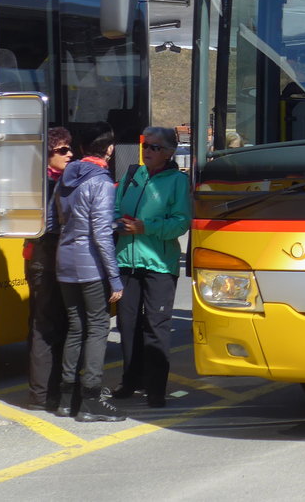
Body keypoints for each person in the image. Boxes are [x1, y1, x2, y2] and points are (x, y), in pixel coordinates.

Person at [113, 127, 192, 407]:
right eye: (146, 146)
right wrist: (117, 223)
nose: (148, 151)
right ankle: (130, 381)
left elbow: (181, 223)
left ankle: (156, 387)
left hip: (159, 264)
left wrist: (146, 227)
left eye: (156, 148)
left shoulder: (177, 182)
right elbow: (115, 207)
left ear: (170, 152)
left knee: (156, 326)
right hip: (126, 261)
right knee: (127, 324)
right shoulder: (133, 175)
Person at [55, 122, 125, 422]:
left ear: (82, 149)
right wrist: (115, 277)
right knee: (98, 327)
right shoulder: (101, 182)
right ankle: (91, 399)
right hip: (90, 264)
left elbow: (53, 219)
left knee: (75, 326)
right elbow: (101, 234)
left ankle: (66, 398)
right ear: (109, 149)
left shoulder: (64, 179)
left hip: (64, 260)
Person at [22, 127, 75, 411]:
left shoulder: (53, 179)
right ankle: (42, 394)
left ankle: (45, 391)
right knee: (47, 324)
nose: (70, 154)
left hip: (42, 258)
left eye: (70, 149)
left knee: (49, 323)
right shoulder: (45, 183)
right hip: (47, 258)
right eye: (63, 150)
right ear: (48, 155)